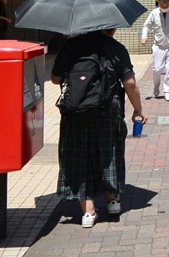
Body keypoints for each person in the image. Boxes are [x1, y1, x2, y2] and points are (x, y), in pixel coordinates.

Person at [51, 29, 146, 229]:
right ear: (110, 27)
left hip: (75, 111)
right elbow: (129, 83)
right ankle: (113, 201)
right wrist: (138, 109)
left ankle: (88, 212)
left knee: (79, 156)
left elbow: (55, 78)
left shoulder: (71, 46)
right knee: (110, 151)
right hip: (108, 109)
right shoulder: (115, 48)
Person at [140, 0, 169, 101]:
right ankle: (156, 86)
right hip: (158, 45)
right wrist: (144, 36)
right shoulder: (154, 13)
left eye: (166, 4)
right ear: (159, 4)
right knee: (157, 69)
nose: (164, 6)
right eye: (162, 4)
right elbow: (146, 25)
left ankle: (167, 91)